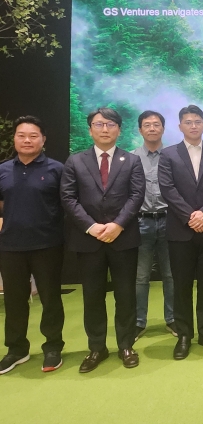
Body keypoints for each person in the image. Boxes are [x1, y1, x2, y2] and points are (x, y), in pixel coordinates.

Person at [60, 108, 145, 372]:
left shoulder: (131, 161)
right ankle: (97, 348)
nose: (105, 129)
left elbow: (136, 196)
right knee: (92, 296)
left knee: (126, 294)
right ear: (90, 130)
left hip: (123, 238)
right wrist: (92, 226)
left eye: (110, 124)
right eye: (99, 124)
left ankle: (126, 345)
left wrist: (117, 225)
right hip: (89, 240)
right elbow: (68, 198)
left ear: (119, 129)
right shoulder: (75, 161)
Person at [158, 105, 203, 360]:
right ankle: (184, 334)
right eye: (188, 122)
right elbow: (167, 189)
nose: (193, 125)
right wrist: (190, 216)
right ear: (180, 126)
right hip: (180, 230)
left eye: (197, 121)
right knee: (181, 284)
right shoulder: (168, 155)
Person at [0, 116, 65, 375]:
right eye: (21, 135)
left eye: (33, 135)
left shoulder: (56, 169)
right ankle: (17, 349)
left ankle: (53, 346)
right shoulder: (3, 170)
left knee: (50, 298)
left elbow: (67, 204)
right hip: (10, 246)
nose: (27, 140)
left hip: (47, 244)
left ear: (43, 139)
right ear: (14, 138)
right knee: (15, 300)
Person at [131, 111, 176, 342]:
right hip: (141, 221)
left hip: (170, 219)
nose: (151, 128)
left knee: (171, 274)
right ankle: (139, 322)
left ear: (163, 128)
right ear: (140, 130)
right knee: (140, 276)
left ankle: (172, 318)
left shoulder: (172, 156)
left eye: (156, 124)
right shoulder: (131, 157)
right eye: (146, 125)